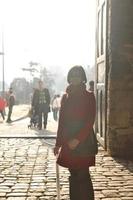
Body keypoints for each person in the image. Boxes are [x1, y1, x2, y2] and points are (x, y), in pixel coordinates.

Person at [54, 66, 96, 200]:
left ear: (83, 78)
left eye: (78, 75)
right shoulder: (65, 97)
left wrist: (77, 139)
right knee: (73, 174)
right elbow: (62, 122)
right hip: (68, 139)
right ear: (69, 78)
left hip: (83, 139)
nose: (75, 78)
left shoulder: (89, 96)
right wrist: (58, 143)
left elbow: (90, 121)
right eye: (72, 75)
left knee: (83, 175)